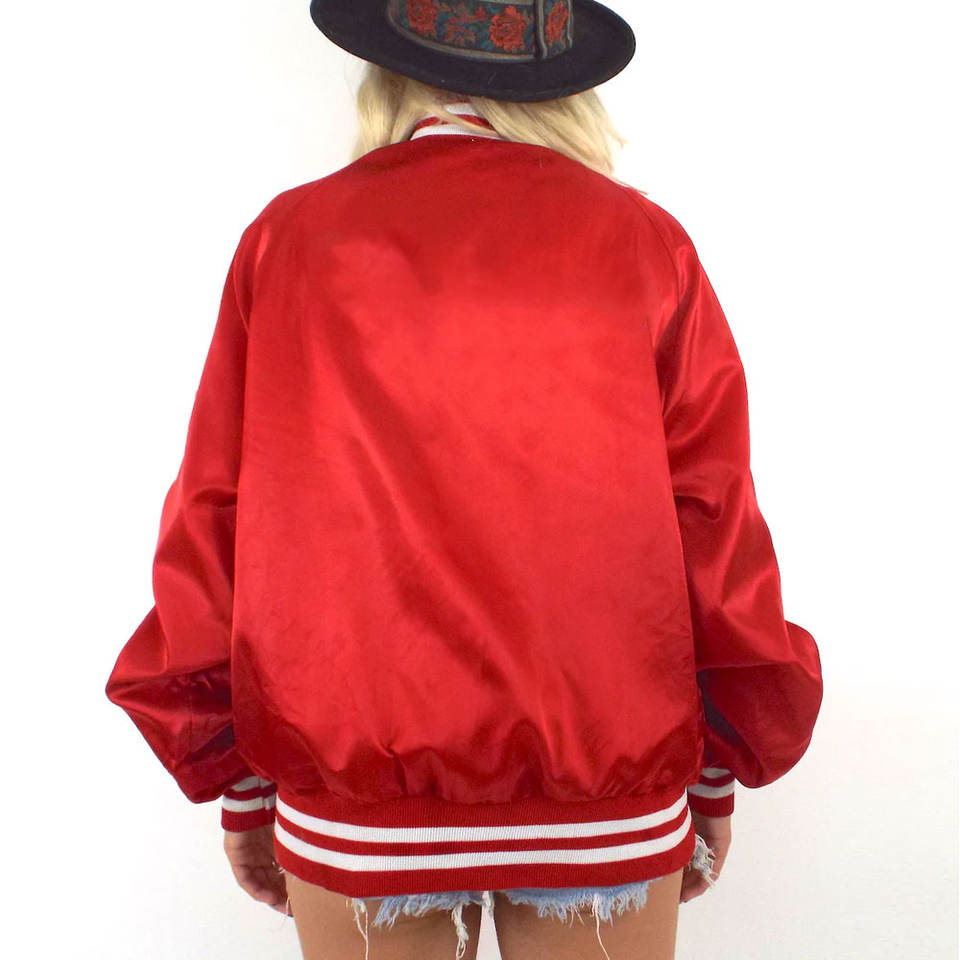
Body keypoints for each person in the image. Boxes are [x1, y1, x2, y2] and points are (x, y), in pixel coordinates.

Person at [104, 3, 824, 959]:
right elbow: (713, 515)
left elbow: (216, 510)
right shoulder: (642, 242)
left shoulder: (292, 239)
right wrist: (720, 764)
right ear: (560, 83)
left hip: (359, 781)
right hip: (603, 776)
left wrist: (235, 778)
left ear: (389, 71)